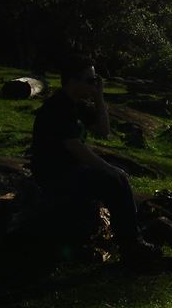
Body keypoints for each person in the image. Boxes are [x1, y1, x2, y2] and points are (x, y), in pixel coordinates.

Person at [30, 54, 159, 264]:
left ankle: (130, 239)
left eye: (95, 80)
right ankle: (131, 245)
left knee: (117, 178)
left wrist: (99, 98)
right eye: (90, 80)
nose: (94, 84)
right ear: (72, 81)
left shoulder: (75, 105)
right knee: (115, 180)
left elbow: (103, 131)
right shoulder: (58, 107)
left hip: (69, 170)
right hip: (55, 175)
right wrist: (109, 169)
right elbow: (75, 147)